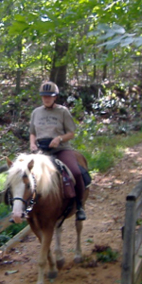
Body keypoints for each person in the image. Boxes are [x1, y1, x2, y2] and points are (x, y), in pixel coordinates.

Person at [29, 81, 87, 221]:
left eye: (50, 96)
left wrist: (59, 139)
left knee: (76, 172)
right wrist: (32, 144)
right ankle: (26, 208)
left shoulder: (63, 112)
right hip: (41, 150)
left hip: (60, 149)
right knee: (25, 175)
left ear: (55, 97)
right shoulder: (36, 112)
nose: (47, 98)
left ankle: (79, 205)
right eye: (44, 96)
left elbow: (71, 133)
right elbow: (32, 132)